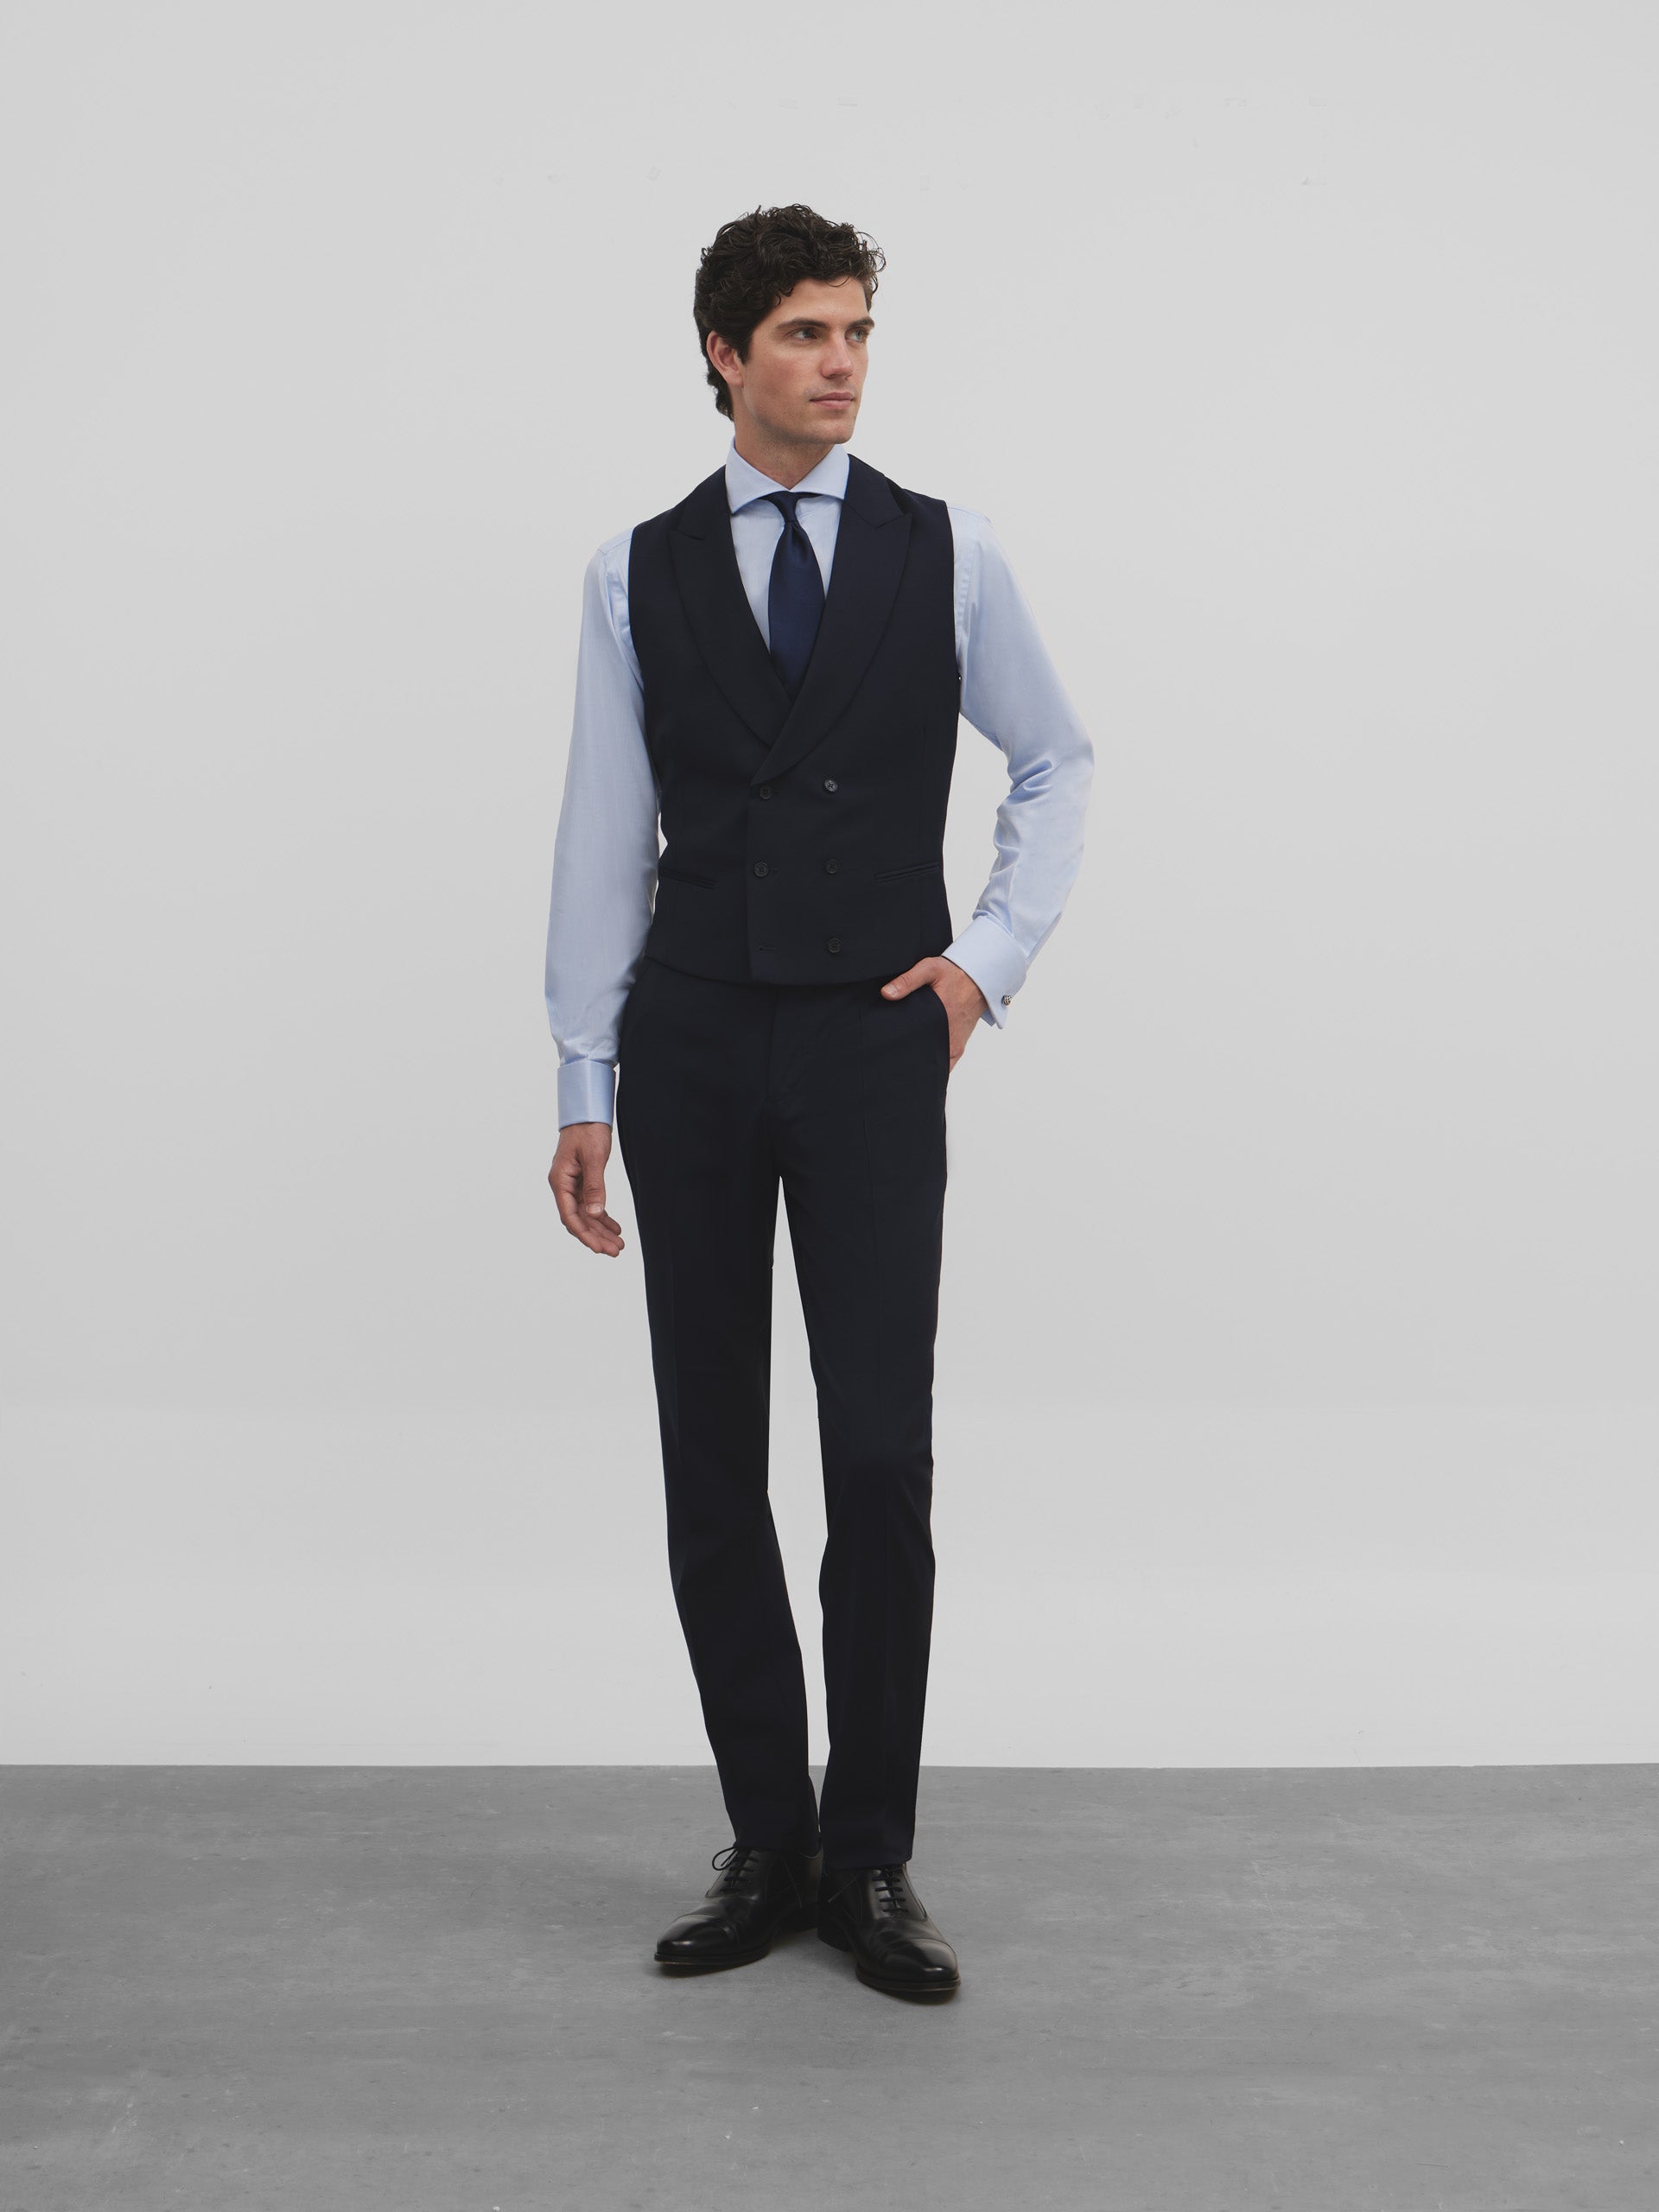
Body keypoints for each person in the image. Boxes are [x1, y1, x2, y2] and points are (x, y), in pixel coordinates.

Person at [543, 204, 1093, 1999]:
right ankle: (765, 1836)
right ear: (724, 354)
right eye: (802, 332)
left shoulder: (948, 550)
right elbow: (604, 828)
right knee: (710, 1449)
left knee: (876, 1452)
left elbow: (1056, 758)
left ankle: (869, 1856)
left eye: (855, 330)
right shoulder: (635, 570)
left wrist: (985, 960)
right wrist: (583, 1069)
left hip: (871, 1038)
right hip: (693, 1038)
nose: (840, 362)